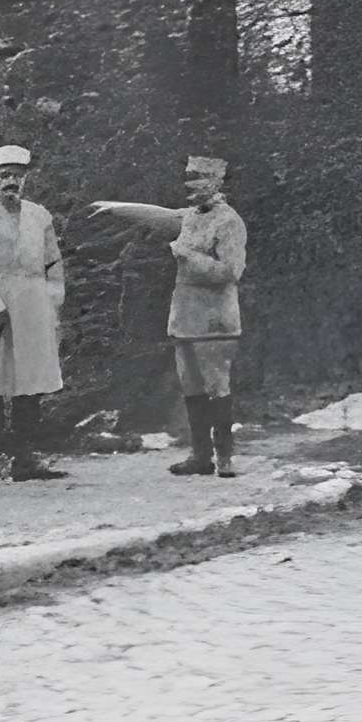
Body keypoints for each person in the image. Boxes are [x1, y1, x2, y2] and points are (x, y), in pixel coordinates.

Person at [87, 153, 248, 478]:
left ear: (216, 182)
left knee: (218, 388)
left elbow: (231, 271)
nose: (191, 185)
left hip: (215, 321)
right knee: (191, 389)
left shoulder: (229, 221)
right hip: (185, 318)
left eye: (200, 179)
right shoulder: (191, 217)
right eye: (188, 178)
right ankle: (200, 457)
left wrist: (186, 254)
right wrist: (116, 207)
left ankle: (225, 458)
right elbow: (162, 217)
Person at [0, 144, 69, 485]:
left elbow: (53, 265)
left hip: (33, 309)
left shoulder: (40, 216)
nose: (11, 182)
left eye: (18, 176)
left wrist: (50, 304)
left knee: (29, 387)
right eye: (5, 175)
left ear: (26, 179)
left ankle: (24, 460)